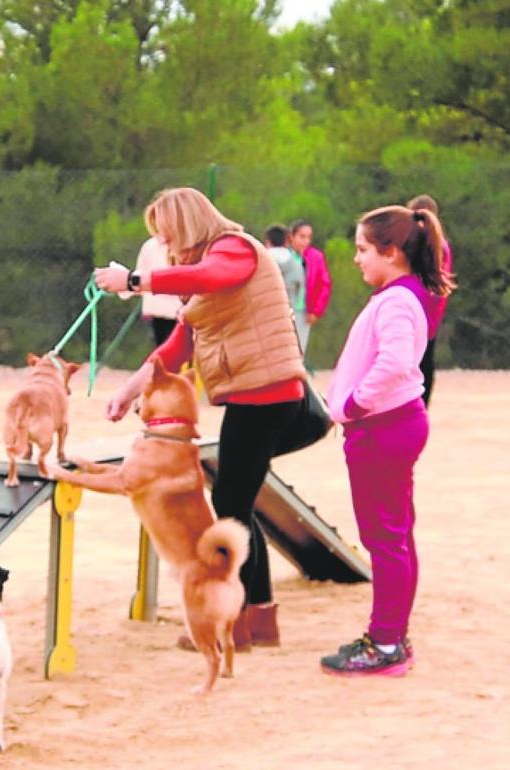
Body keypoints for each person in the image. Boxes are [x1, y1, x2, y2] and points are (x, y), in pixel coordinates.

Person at [93, 187, 307, 650]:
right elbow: (177, 346)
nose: (164, 246)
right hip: (253, 397)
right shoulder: (205, 278)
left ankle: (243, 625)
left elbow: (212, 274)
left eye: (166, 235)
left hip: (267, 395)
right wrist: (130, 390)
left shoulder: (234, 250)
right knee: (235, 506)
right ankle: (257, 621)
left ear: (187, 225)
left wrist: (133, 281)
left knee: (231, 508)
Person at [319, 205, 454, 677]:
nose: (356, 259)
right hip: (391, 425)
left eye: (362, 249)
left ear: (392, 252)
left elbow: (395, 361)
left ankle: (386, 642)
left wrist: (355, 404)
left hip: (383, 427)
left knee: (385, 538)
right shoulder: (400, 294)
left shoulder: (397, 300)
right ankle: (391, 634)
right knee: (394, 535)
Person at [405, 195, 453, 406]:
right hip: (425, 309)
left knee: (421, 360)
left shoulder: (435, 245)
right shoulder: (430, 243)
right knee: (419, 359)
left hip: (424, 309)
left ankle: (419, 404)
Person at [262, 223, 308, 352]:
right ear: (286, 241)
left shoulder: (261, 260)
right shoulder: (295, 262)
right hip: (290, 311)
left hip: (265, 313)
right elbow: (300, 285)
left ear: (268, 241)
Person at [289, 219, 332, 349]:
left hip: (303, 310)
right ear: (292, 236)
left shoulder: (315, 257)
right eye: (302, 237)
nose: (305, 241)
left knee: (300, 347)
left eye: (308, 237)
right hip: (284, 309)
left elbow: (324, 284)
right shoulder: (285, 256)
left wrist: (316, 310)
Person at [132, 236, 182, 346]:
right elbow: (139, 279)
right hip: (157, 312)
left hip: (180, 313)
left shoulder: (186, 245)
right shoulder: (150, 246)